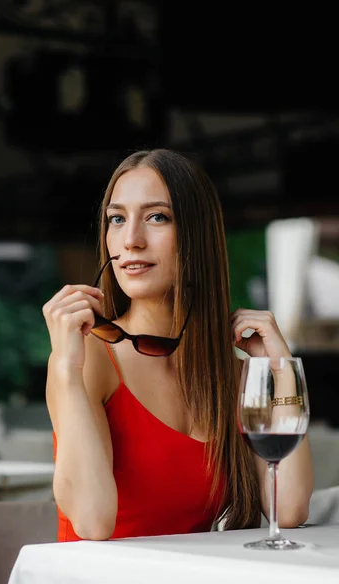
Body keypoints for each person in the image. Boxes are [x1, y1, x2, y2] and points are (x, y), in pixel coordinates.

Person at [43, 148, 314, 542]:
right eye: (117, 219)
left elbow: (287, 511)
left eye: (156, 217)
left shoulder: (230, 374)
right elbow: (93, 522)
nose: (131, 240)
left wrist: (281, 372)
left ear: (196, 234)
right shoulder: (88, 359)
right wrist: (65, 367)